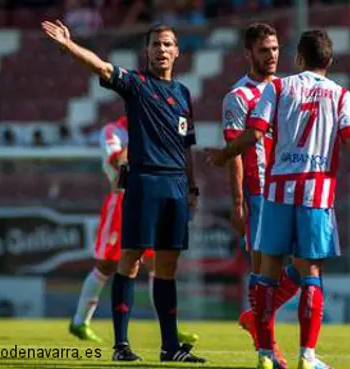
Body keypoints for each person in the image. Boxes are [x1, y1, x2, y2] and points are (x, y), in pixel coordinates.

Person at [208, 29, 350, 369]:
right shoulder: (340, 94)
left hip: (277, 190)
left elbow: (253, 134)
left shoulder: (279, 88)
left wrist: (222, 155)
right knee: (310, 274)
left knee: (267, 273)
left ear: (297, 58)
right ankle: (306, 356)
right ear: (330, 60)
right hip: (314, 194)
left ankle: (265, 352)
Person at [41, 20, 206, 363]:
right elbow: (101, 66)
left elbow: (188, 146)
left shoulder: (184, 94)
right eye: (156, 44)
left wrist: (191, 187)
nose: (161, 49)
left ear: (177, 51)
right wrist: (69, 46)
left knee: (167, 266)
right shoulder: (136, 84)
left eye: (167, 44)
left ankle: (169, 348)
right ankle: (121, 346)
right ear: (146, 51)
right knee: (128, 261)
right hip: (144, 182)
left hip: (176, 186)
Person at [68, 116, 198, 347]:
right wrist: (142, 135)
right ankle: (80, 321)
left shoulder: (157, 126)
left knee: (157, 264)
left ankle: (170, 327)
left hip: (149, 200)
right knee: (106, 265)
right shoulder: (113, 130)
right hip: (120, 202)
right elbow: (119, 161)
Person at [222, 23, 306, 369]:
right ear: (248, 54)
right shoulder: (238, 97)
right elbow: (234, 152)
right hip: (259, 195)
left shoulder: (287, 90)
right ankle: (267, 348)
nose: (272, 56)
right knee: (262, 273)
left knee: (304, 268)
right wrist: (239, 202)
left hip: (290, 191)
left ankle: (253, 317)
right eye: (263, 50)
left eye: (275, 49)